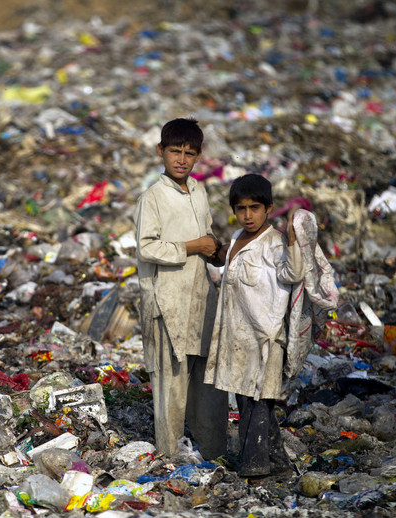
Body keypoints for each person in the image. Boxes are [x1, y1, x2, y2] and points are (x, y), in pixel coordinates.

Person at [133, 118, 228, 460]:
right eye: (175, 151)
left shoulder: (199, 192)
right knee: (170, 385)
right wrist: (193, 246)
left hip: (200, 299)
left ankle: (215, 452)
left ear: (199, 156)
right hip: (165, 300)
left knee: (208, 382)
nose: (182, 159)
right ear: (161, 151)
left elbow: (206, 242)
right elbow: (146, 247)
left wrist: (216, 251)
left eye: (189, 153)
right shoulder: (153, 197)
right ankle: (171, 457)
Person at [204, 173, 305, 478]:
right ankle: (277, 463)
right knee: (248, 401)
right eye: (241, 209)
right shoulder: (236, 239)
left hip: (265, 337)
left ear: (268, 208)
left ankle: (255, 467)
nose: (248, 215)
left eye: (255, 208)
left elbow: (293, 274)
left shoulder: (274, 243)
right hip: (237, 335)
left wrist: (291, 241)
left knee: (258, 403)